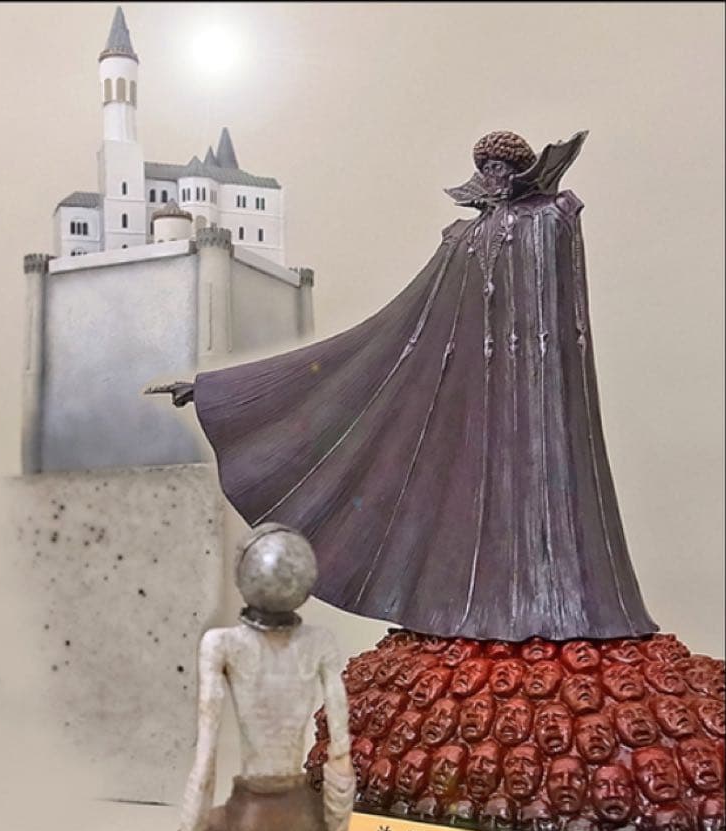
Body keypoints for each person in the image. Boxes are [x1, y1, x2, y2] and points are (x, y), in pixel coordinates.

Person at [149, 130, 657, 643]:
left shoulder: (551, 219)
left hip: (541, 399)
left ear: (519, 173)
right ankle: (474, 606)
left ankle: (552, 605)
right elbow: (394, 330)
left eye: (503, 168)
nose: (493, 178)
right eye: (487, 168)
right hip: (477, 410)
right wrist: (216, 391)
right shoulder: (461, 240)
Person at [172, 524, 355, 831]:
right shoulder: (321, 642)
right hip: (304, 819)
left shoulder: (221, 643)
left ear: (243, 576)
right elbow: (341, 754)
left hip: (249, 811)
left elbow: (205, 762)